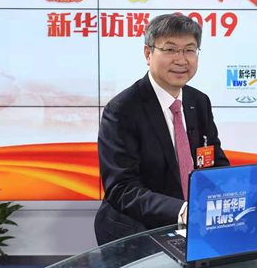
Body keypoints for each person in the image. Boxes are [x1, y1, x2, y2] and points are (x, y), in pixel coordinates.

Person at [94, 14, 230, 246]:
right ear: (148, 54)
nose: (181, 60)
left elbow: (214, 163)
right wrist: (182, 211)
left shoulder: (199, 101)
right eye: (170, 50)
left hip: (193, 228)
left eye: (189, 50)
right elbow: (121, 188)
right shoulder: (123, 109)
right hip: (136, 233)